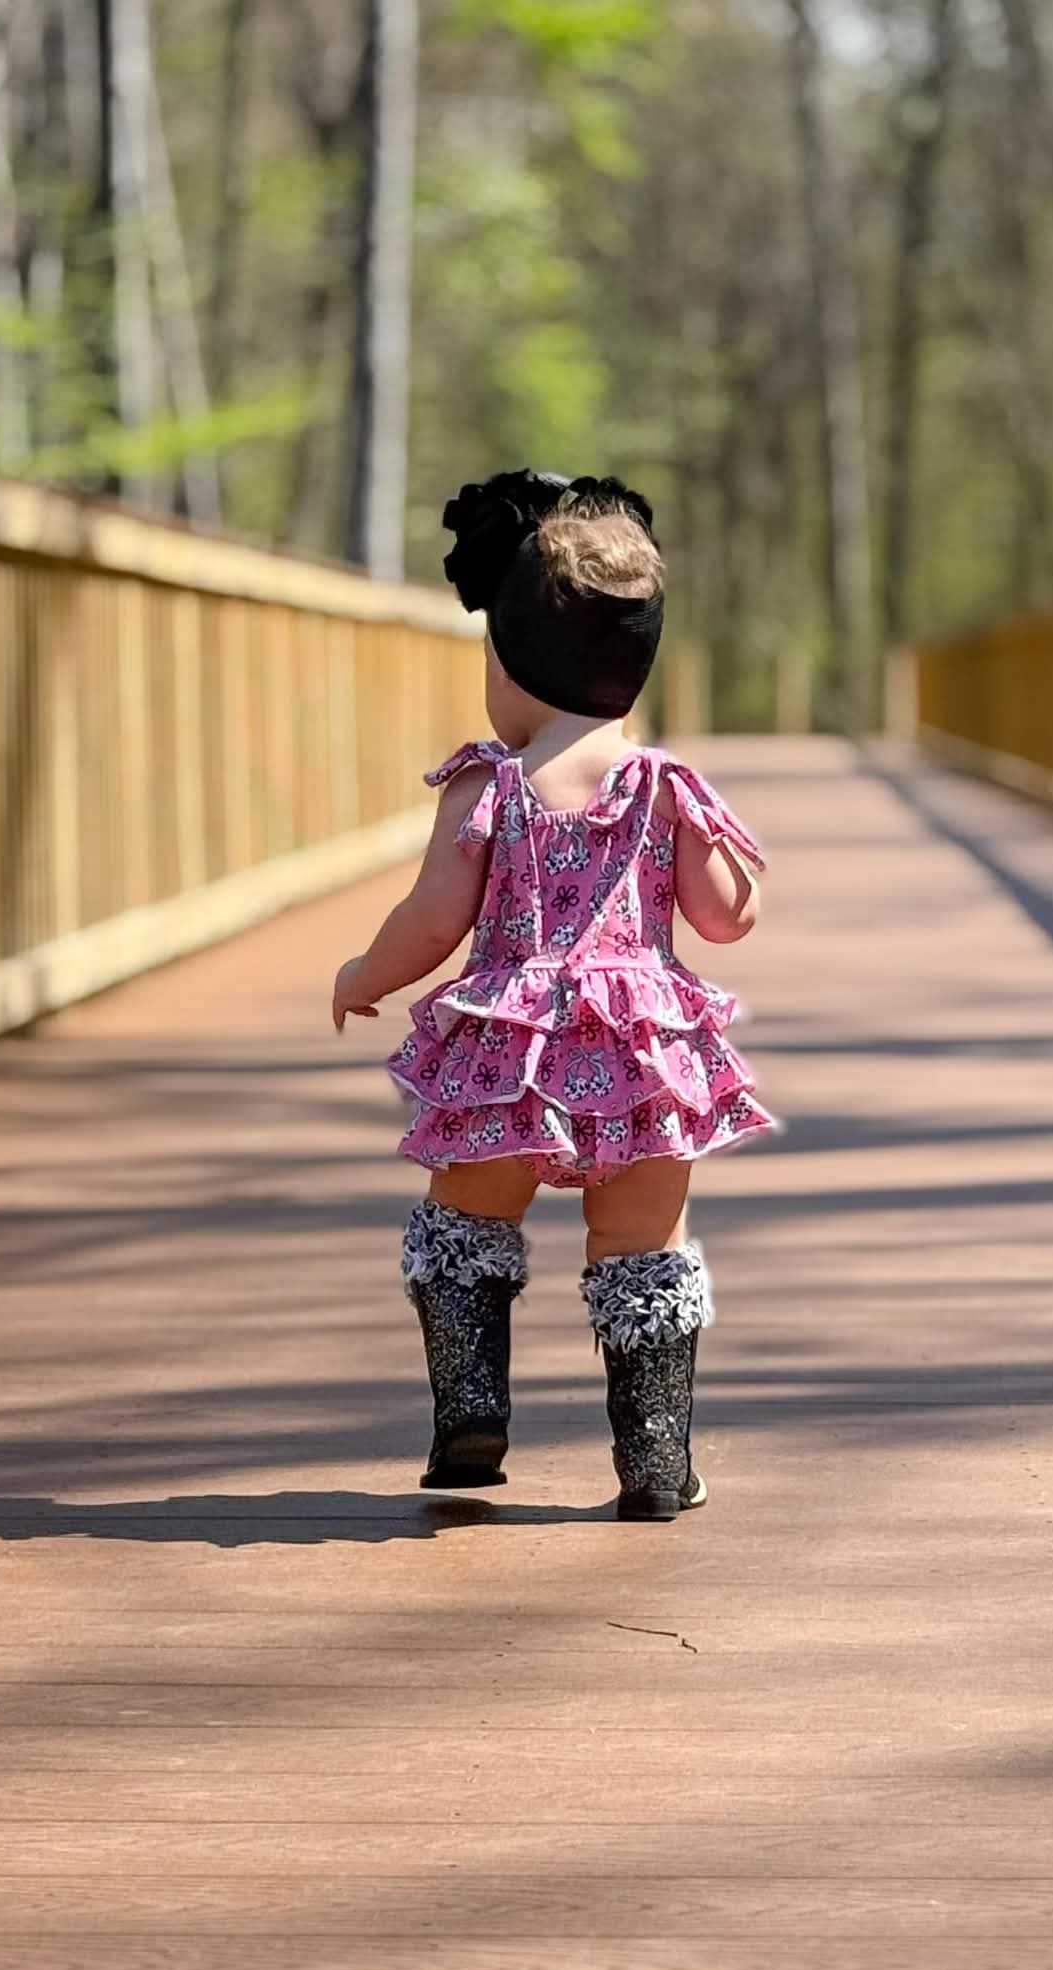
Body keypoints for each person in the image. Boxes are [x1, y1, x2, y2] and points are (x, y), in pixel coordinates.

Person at [332, 470, 772, 1522]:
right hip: (639, 1065)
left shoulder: (486, 786)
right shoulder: (662, 788)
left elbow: (431, 921)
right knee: (642, 1248)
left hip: (511, 1063)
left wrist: (364, 973)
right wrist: (725, 862)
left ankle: (471, 1415)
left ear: (517, 659)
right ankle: (654, 1458)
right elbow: (725, 919)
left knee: (464, 1224)